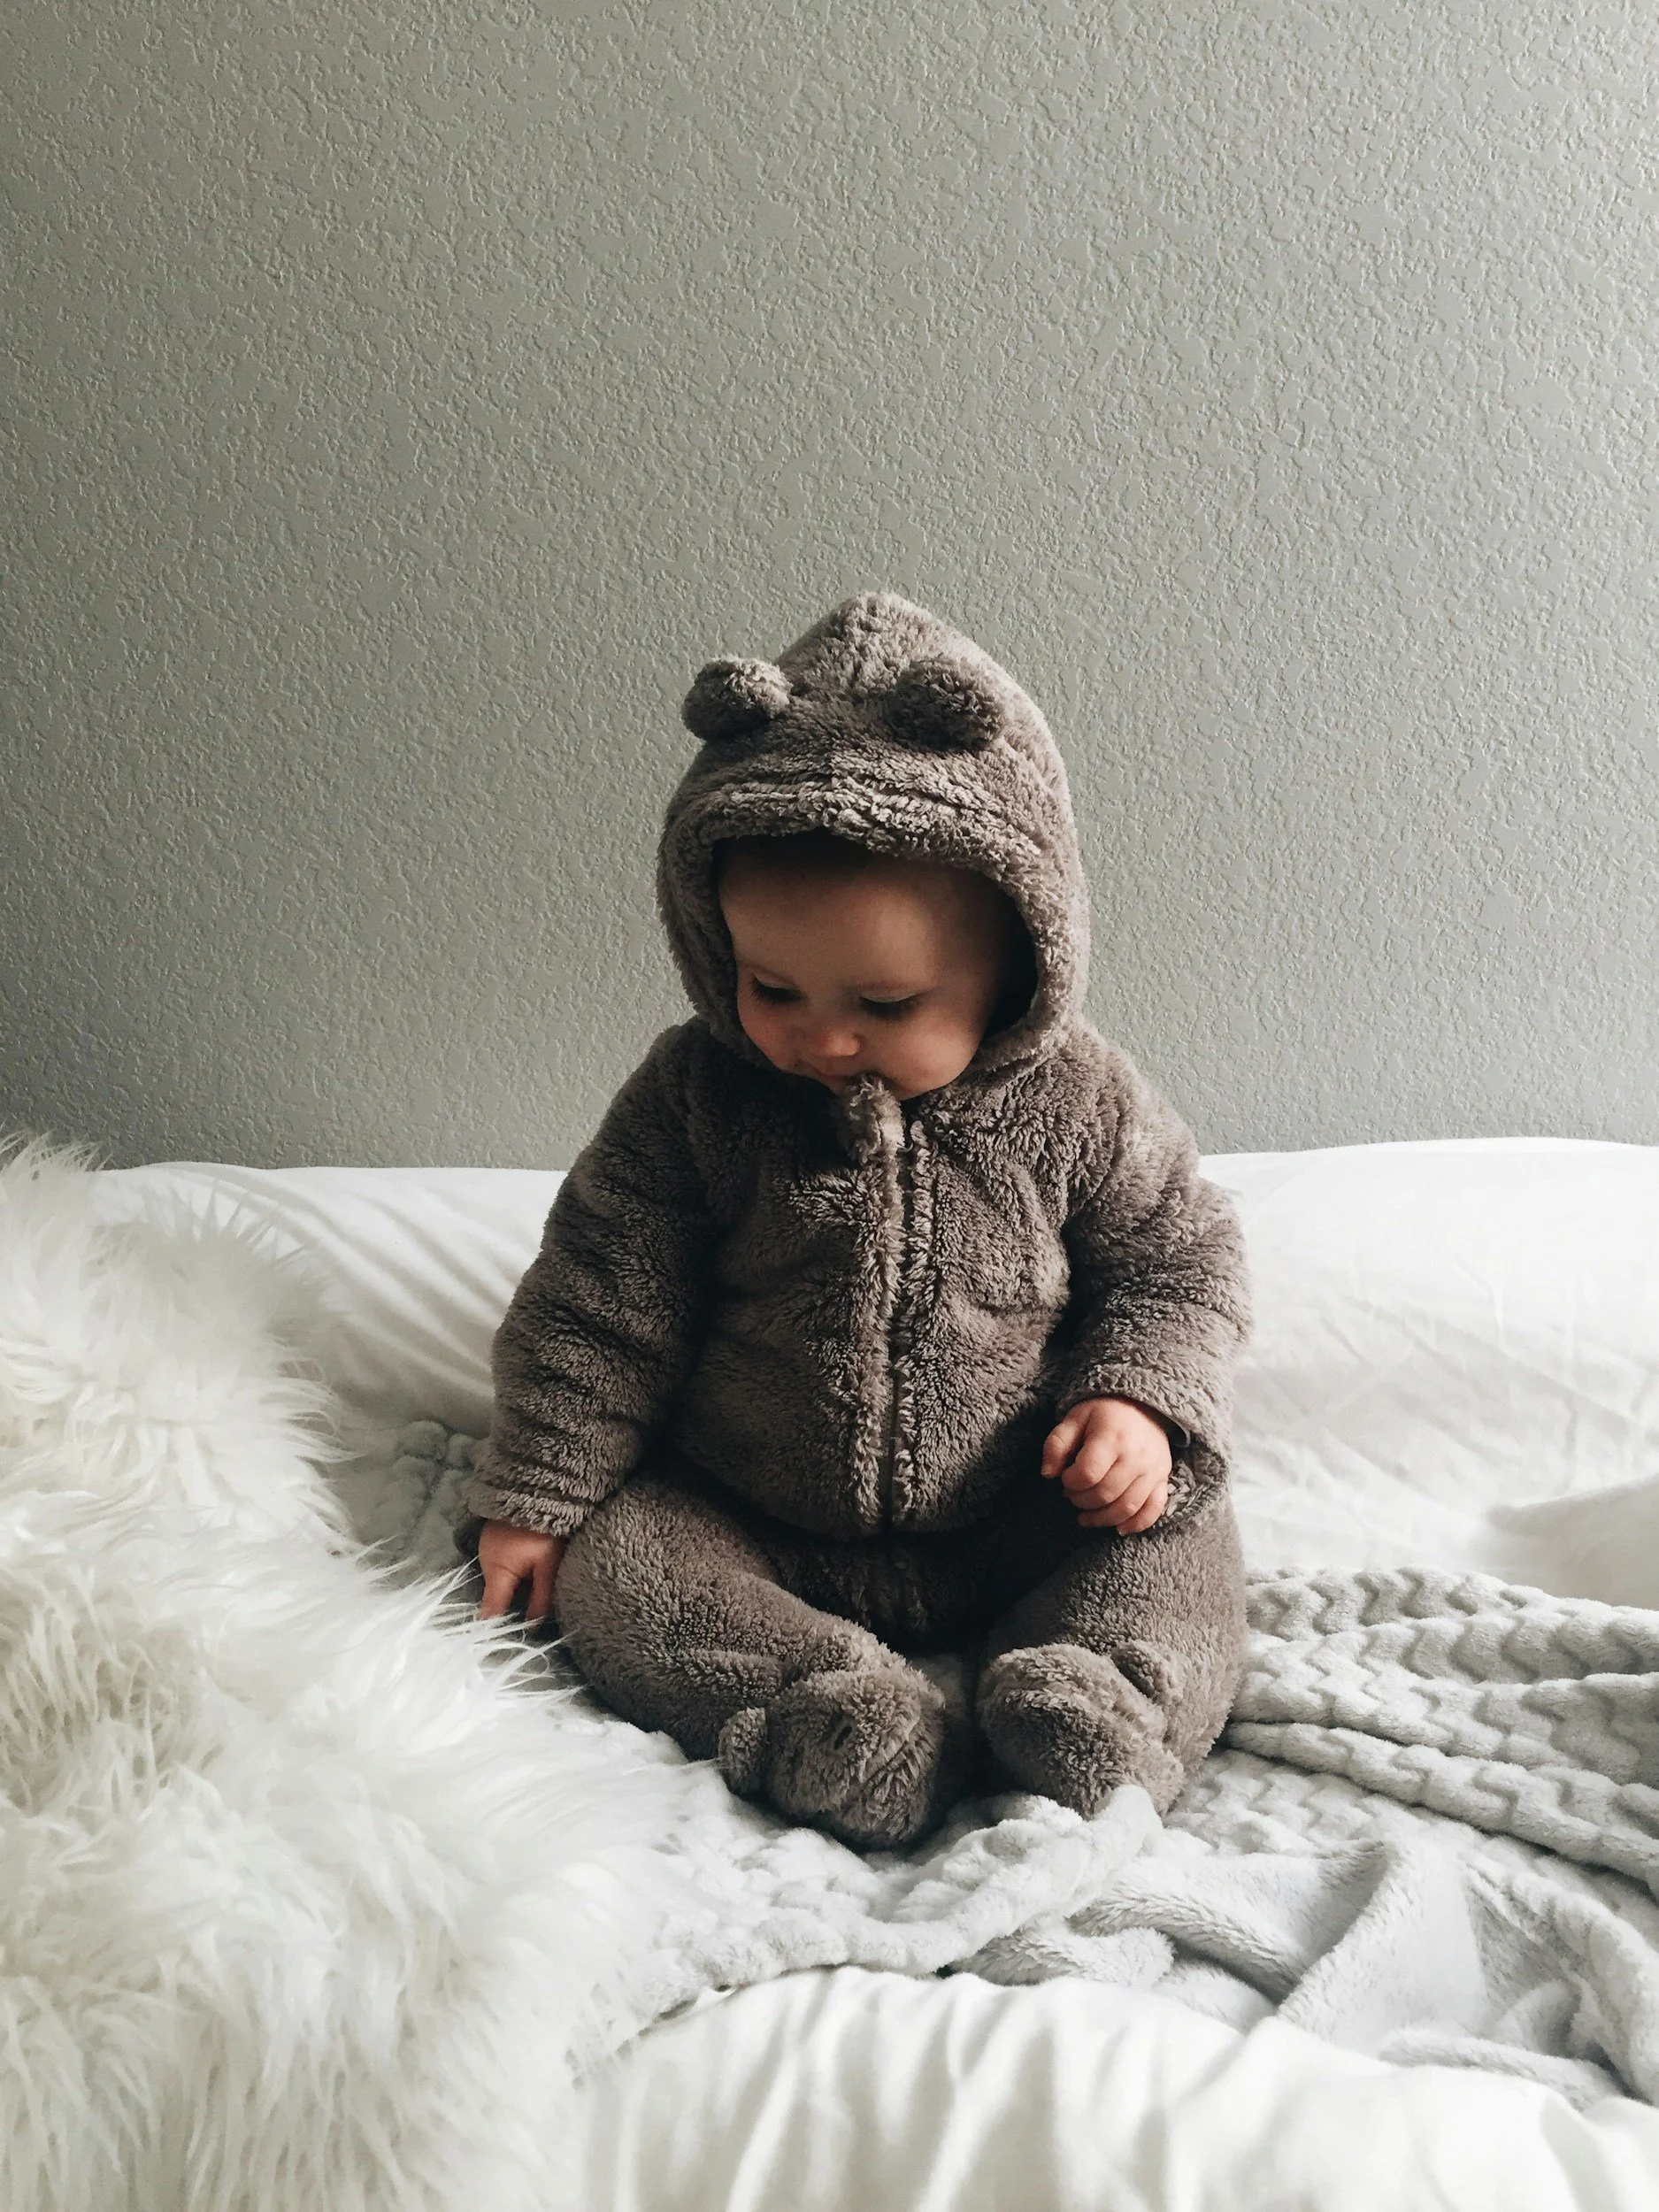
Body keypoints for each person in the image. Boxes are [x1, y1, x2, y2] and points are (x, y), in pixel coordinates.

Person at [460, 590, 1251, 1849]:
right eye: (771, 986)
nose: (820, 1038)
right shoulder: (694, 1098)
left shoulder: (1079, 1101)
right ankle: (825, 1711)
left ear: (1019, 962)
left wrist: (1139, 1404)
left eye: (884, 1004)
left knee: (1178, 1534)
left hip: (1016, 1507)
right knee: (621, 1570)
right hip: (750, 1508)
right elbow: (598, 1300)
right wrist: (539, 1492)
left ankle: (1096, 1702)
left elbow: (1178, 1259)